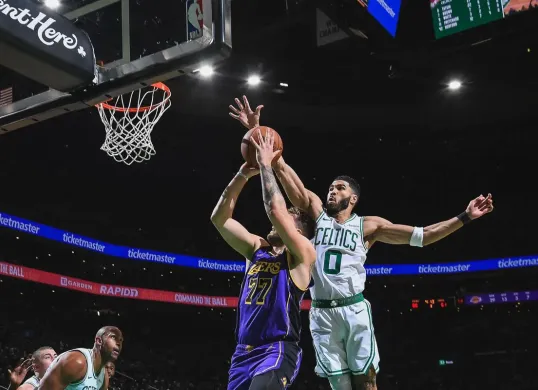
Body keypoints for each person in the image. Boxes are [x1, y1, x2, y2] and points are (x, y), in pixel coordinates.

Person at [229, 96, 495, 390]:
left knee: (366, 382)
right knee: (339, 385)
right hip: (321, 311)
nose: (332, 190)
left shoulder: (370, 226)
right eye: (330, 186)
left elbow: (424, 235)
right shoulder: (317, 214)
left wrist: (465, 217)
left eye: (339, 188)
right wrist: (259, 132)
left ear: (352, 198)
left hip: (354, 308)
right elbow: (282, 169)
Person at [211, 129, 317, 390]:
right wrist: (242, 174)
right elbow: (220, 219)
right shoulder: (257, 248)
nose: (281, 216)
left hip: (277, 349)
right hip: (242, 353)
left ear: (300, 230)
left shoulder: (302, 253)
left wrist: (265, 166)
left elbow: (275, 210)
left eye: (291, 214)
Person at [38, 327, 123, 390]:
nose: (119, 343)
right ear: (99, 341)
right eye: (113, 337)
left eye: (121, 340)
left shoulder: (104, 376)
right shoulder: (76, 361)